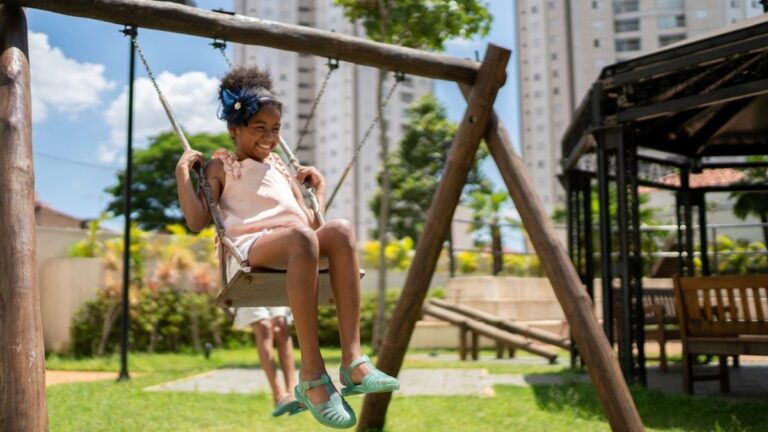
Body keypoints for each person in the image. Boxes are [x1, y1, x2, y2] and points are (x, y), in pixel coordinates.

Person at [175, 66, 399, 429]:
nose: (269, 137)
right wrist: (183, 174)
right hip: (249, 248)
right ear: (235, 130)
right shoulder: (222, 166)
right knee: (300, 238)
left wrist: (319, 192)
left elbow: (313, 227)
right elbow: (199, 220)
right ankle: (312, 376)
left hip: (296, 244)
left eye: (275, 129)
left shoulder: (280, 167)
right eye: (259, 128)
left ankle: (353, 362)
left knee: (339, 230)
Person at [233, 307, 303, 417]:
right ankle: (279, 396)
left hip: (275, 289)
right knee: (263, 327)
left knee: (281, 325)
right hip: (248, 291)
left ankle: (292, 393)